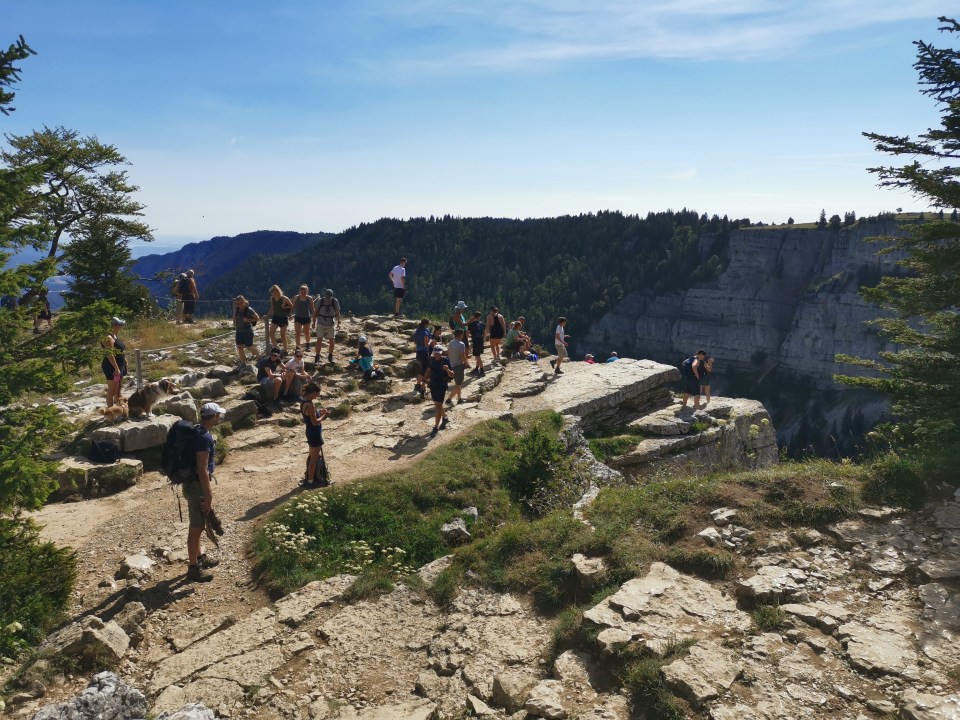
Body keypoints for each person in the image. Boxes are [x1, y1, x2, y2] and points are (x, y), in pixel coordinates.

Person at [184, 402, 225, 582]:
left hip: (191, 484)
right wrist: (208, 495)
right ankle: (193, 568)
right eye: (218, 415)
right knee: (196, 527)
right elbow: (202, 469)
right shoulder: (204, 437)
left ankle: (200, 558)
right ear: (214, 416)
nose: (219, 417)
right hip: (197, 486)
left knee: (199, 525)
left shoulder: (198, 431)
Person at [300, 382, 332, 488]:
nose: (317, 395)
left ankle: (309, 477)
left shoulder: (304, 403)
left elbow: (310, 416)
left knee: (311, 456)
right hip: (315, 433)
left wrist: (319, 412)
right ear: (313, 392)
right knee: (314, 459)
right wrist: (324, 416)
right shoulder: (310, 405)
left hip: (309, 432)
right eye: (317, 393)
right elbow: (315, 422)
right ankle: (310, 482)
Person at [424, 344, 454, 437]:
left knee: (438, 406)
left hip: (441, 385)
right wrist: (424, 380)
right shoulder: (432, 360)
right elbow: (429, 370)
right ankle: (444, 418)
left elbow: (452, 375)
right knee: (437, 404)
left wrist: (447, 369)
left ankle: (436, 427)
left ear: (441, 353)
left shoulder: (446, 361)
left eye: (438, 353)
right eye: (435, 353)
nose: (437, 355)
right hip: (433, 385)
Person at [101, 317, 127, 408]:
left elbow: (119, 350)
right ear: (114, 325)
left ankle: (118, 407)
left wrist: (125, 361)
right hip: (112, 367)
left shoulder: (114, 336)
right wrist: (116, 369)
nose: (121, 327)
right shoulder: (108, 337)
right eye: (120, 325)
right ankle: (110, 411)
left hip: (120, 365)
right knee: (112, 390)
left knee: (118, 388)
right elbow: (110, 354)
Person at [312, 288, 341, 364]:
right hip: (321, 323)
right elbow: (315, 312)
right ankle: (317, 356)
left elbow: (337, 312)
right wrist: (314, 322)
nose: (328, 298)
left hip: (330, 323)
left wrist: (339, 321)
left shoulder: (334, 301)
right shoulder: (321, 301)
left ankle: (330, 356)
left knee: (331, 341)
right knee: (319, 340)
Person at [267, 285, 294, 352]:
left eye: (273, 291)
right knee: (271, 333)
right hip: (275, 317)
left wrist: (285, 308)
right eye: (271, 291)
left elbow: (291, 305)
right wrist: (267, 316)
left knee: (282, 335)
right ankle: (276, 348)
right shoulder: (272, 298)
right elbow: (272, 307)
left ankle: (285, 350)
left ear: (277, 291)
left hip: (283, 318)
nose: (272, 293)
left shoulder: (284, 298)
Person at [233, 295, 259, 364]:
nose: (240, 304)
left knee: (249, 346)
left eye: (241, 302)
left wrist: (248, 320)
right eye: (238, 303)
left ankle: (259, 356)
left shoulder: (249, 309)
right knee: (239, 347)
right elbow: (235, 317)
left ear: (244, 301)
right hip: (239, 330)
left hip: (247, 330)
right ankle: (243, 362)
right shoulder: (237, 309)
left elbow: (257, 318)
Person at [446, 329, 467, 405]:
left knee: (458, 383)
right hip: (459, 365)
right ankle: (449, 399)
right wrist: (466, 363)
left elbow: (448, 353)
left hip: (452, 364)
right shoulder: (461, 344)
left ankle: (459, 399)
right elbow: (462, 356)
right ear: (460, 335)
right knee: (458, 384)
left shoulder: (450, 343)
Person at [292, 285, 316, 351]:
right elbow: (293, 306)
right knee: (297, 333)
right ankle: (298, 347)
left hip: (306, 317)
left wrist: (314, 317)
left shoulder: (309, 298)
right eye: (302, 292)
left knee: (307, 332)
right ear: (299, 291)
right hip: (298, 317)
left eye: (305, 292)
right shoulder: (296, 298)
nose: (303, 293)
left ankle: (308, 345)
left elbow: (313, 309)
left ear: (307, 292)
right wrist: (291, 314)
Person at [412, 318, 432, 397]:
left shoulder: (417, 331)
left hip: (418, 351)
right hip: (424, 352)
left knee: (423, 368)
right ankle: (418, 384)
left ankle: (421, 383)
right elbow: (426, 344)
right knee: (424, 368)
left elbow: (414, 342)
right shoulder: (424, 332)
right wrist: (431, 341)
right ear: (426, 324)